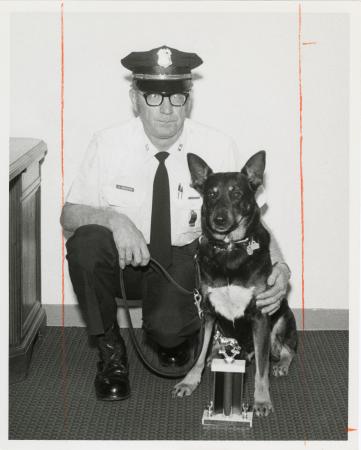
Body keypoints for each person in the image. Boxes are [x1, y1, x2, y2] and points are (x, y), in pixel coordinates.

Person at [60, 45, 291, 402]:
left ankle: (176, 337)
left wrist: (281, 268)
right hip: (124, 263)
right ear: (135, 98)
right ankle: (110, 354)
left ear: (189, 99)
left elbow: (253, 221)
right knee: (85, 245)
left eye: (177, 97)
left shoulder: (216, 144)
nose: (167, 110)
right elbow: (69, 214)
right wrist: (114, 219)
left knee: (169, 333)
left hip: (183, 267)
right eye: (154, 96)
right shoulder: (107, 144)